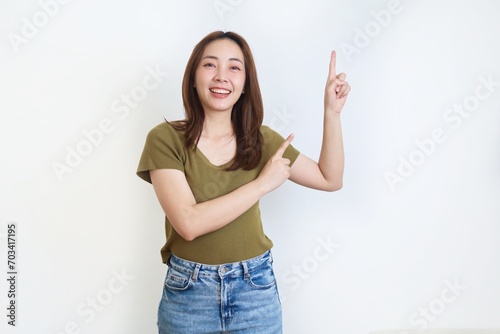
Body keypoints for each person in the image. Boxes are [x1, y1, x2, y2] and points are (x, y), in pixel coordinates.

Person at [136, 31, 350, 334]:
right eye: (210, 65)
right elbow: (188, 223)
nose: (222, 76)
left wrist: (332, 112)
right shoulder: (165, 139)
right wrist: (262, 184)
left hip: (254, 288)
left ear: (246, 84)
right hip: (189, 294)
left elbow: (330, 179)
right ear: (193, 77)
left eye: (234, 68)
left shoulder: (261, 140)